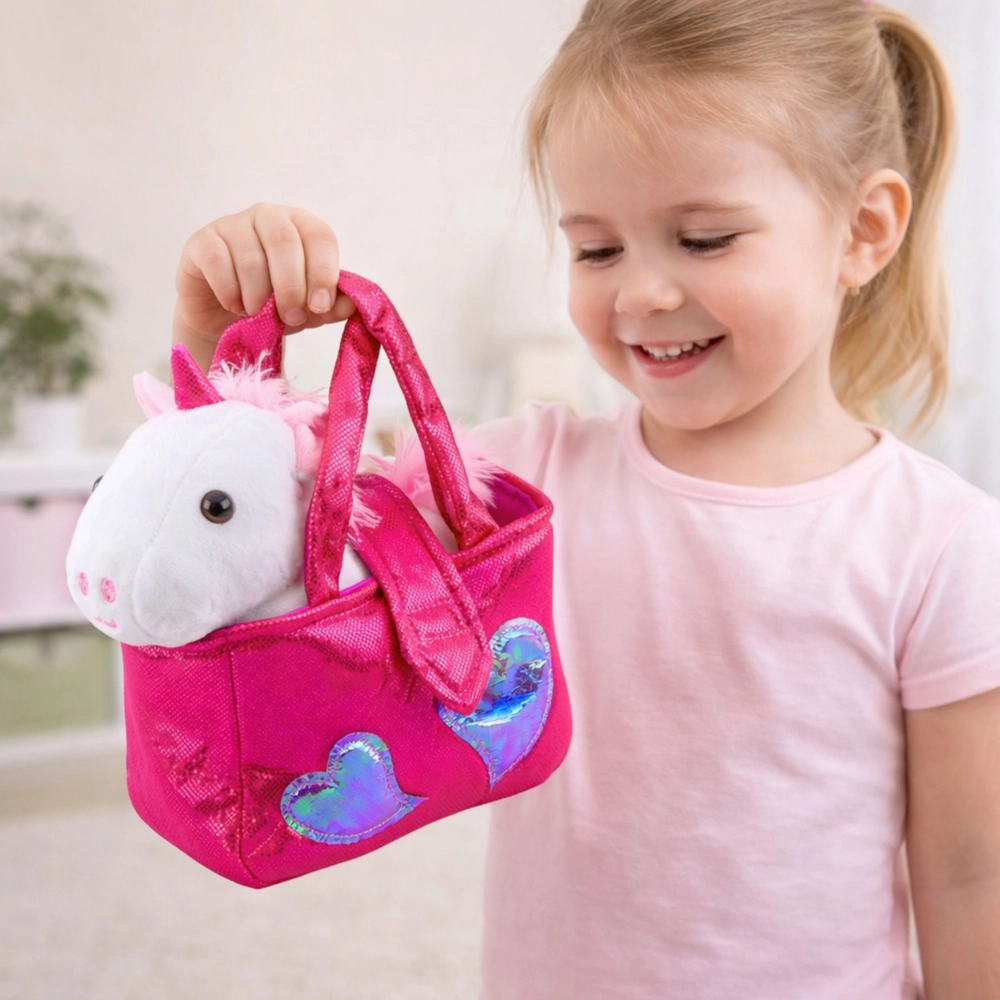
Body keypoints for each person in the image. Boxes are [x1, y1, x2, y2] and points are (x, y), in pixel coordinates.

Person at [171, 2, 1000, 997]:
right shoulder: (514, 490)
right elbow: (266, 547)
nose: (640, 293)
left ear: (862, 232)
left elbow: (969, 871)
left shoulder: (940, 543)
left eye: (703, 238)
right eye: (597, 251)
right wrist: (221, 349)